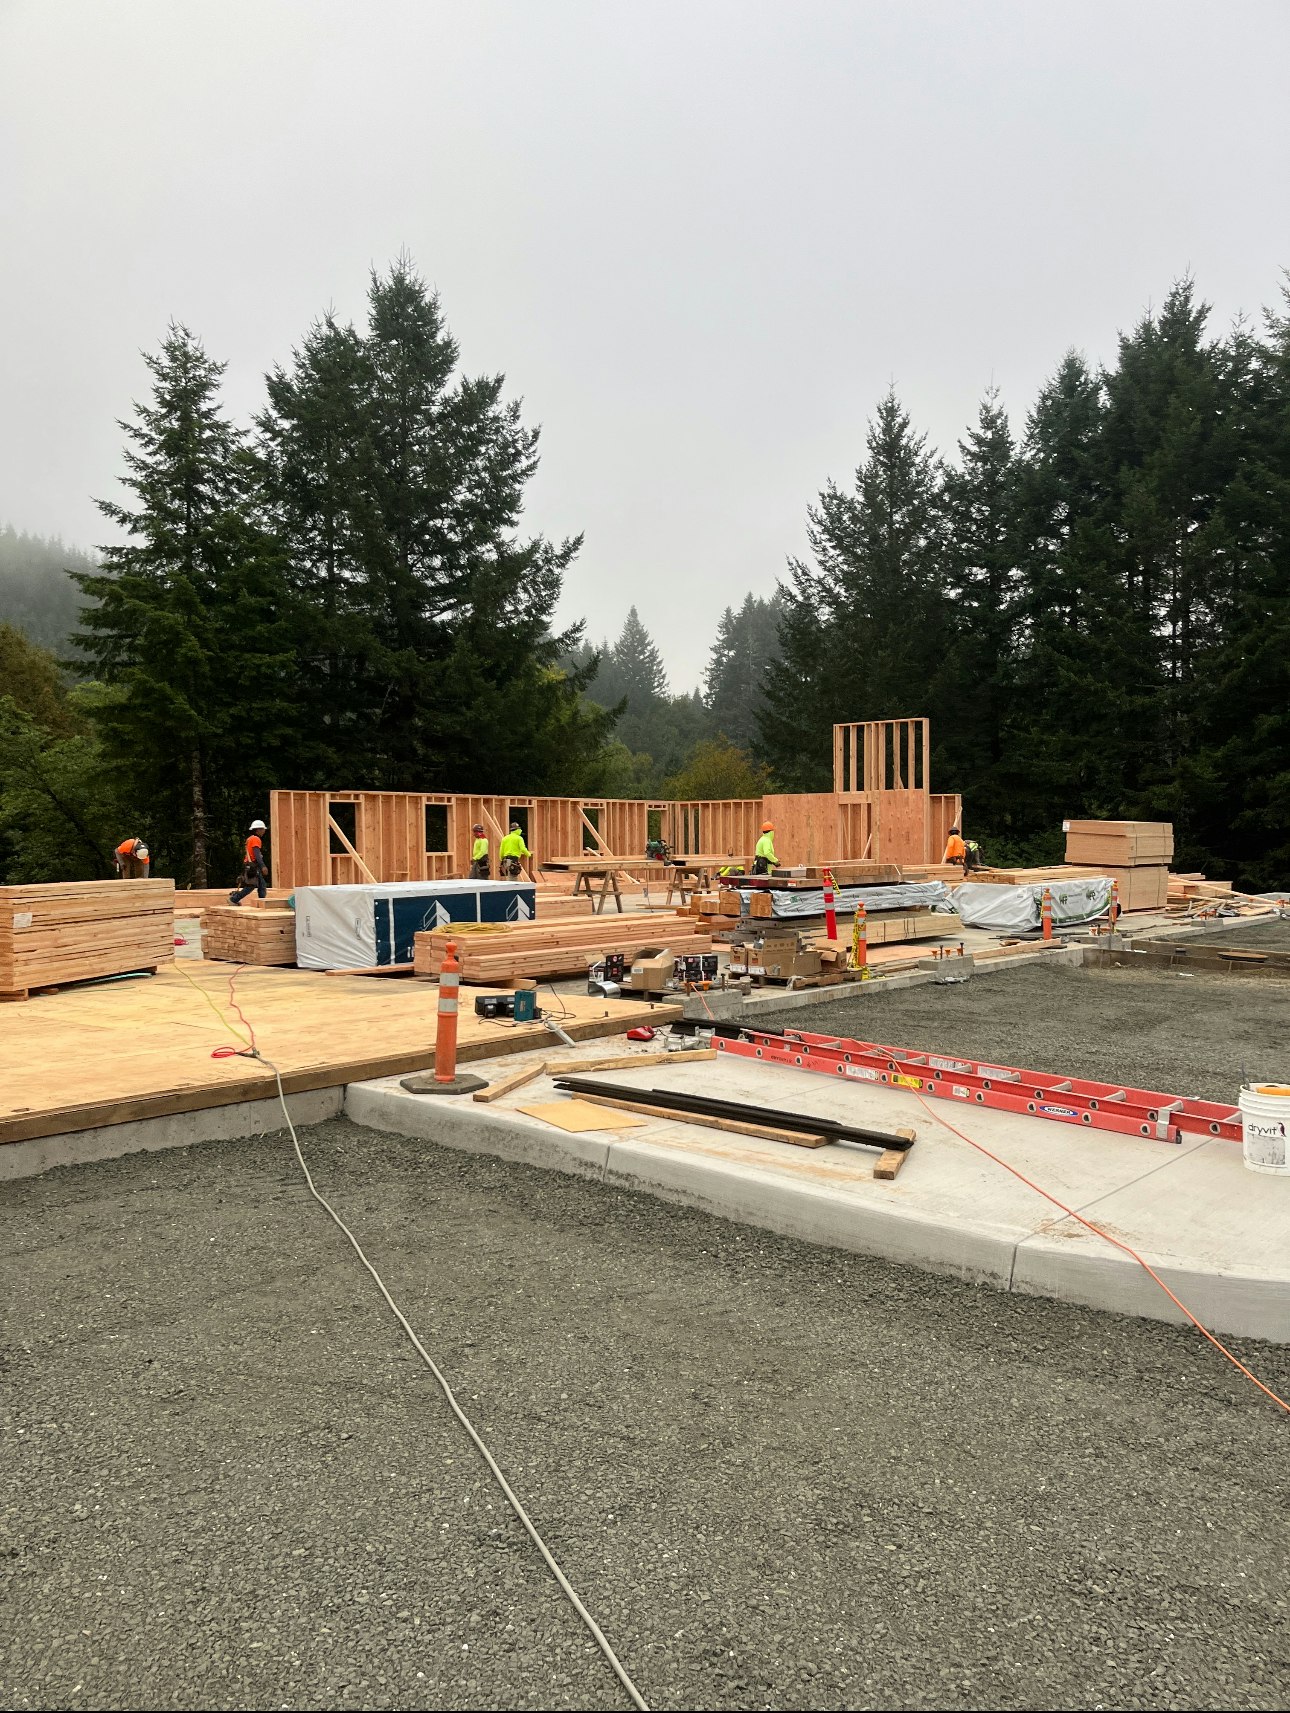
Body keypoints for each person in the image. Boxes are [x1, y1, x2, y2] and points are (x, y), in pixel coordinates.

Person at [228, 819, 269, 905]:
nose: (264, 831)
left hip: (250, 865)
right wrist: (263, 866)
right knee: (251, 886)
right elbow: (256, 854)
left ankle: (262, 903)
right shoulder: (255, 839)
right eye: (263, 829)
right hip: (253, 866)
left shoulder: (250, 839)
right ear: (257, 830)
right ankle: (234, 899)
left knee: (262, 885)